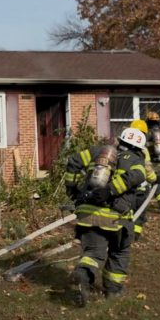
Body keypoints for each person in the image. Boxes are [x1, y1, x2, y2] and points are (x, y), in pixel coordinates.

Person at [63, 127, 147, 306]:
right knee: (120, 252)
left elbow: (73, 162)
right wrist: (110, 190)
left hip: (88, 213)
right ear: (139, 148)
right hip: (117, 217)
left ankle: (84, 275)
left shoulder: (96, 151)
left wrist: (73, 190)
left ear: (120, 141)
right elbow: (139, 175)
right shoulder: (136, 159)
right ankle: (113, 290)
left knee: (93, 252)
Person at [129, 119, 160, 240]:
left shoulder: (121, 148)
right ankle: (135, 235)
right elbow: (147, 169)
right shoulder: (143, 150)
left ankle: (125, 233)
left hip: (124, 188)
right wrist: (154, 179)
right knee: (140, 212)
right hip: (140, 189)